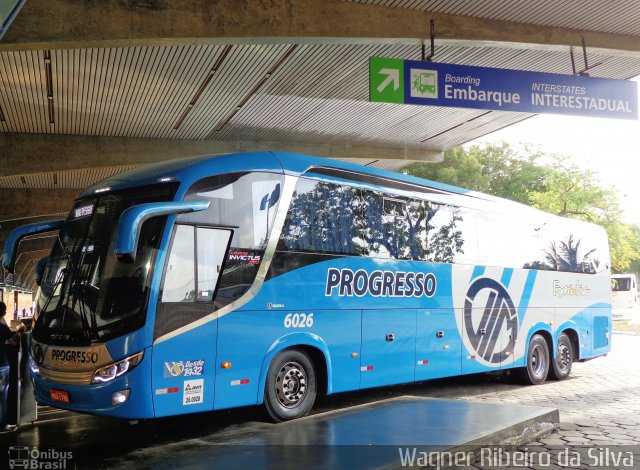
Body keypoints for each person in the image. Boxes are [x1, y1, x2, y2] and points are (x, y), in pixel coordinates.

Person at [0, 301, 23, 432]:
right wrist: (19, 330)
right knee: (2, 396)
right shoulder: (2, 328)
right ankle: (3, 425)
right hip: (2, 364)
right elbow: (13, 340)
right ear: (2, 312)